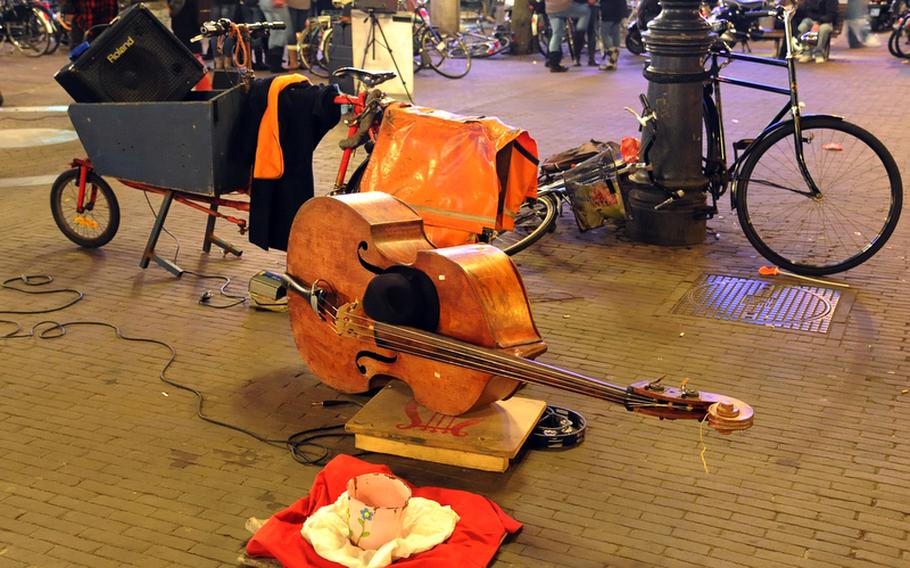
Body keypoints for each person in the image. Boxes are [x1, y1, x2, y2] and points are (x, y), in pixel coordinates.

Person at [545, 0, 592, 72]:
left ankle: (554, 63)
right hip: (564, 5)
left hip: (550, 7)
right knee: (586, 11)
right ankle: (579, 33)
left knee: (556, 33)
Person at [260, 0, 291, 72]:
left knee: (274, 31)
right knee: (281, 30)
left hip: (265, 3)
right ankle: (276, 64)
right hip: (275, 3)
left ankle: (273, 63)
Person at [598, 0, 628, 70]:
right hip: (618, 11)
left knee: (604, 34)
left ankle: (612, 57)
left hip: (608, 11)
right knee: (616, 34)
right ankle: (612, 62)